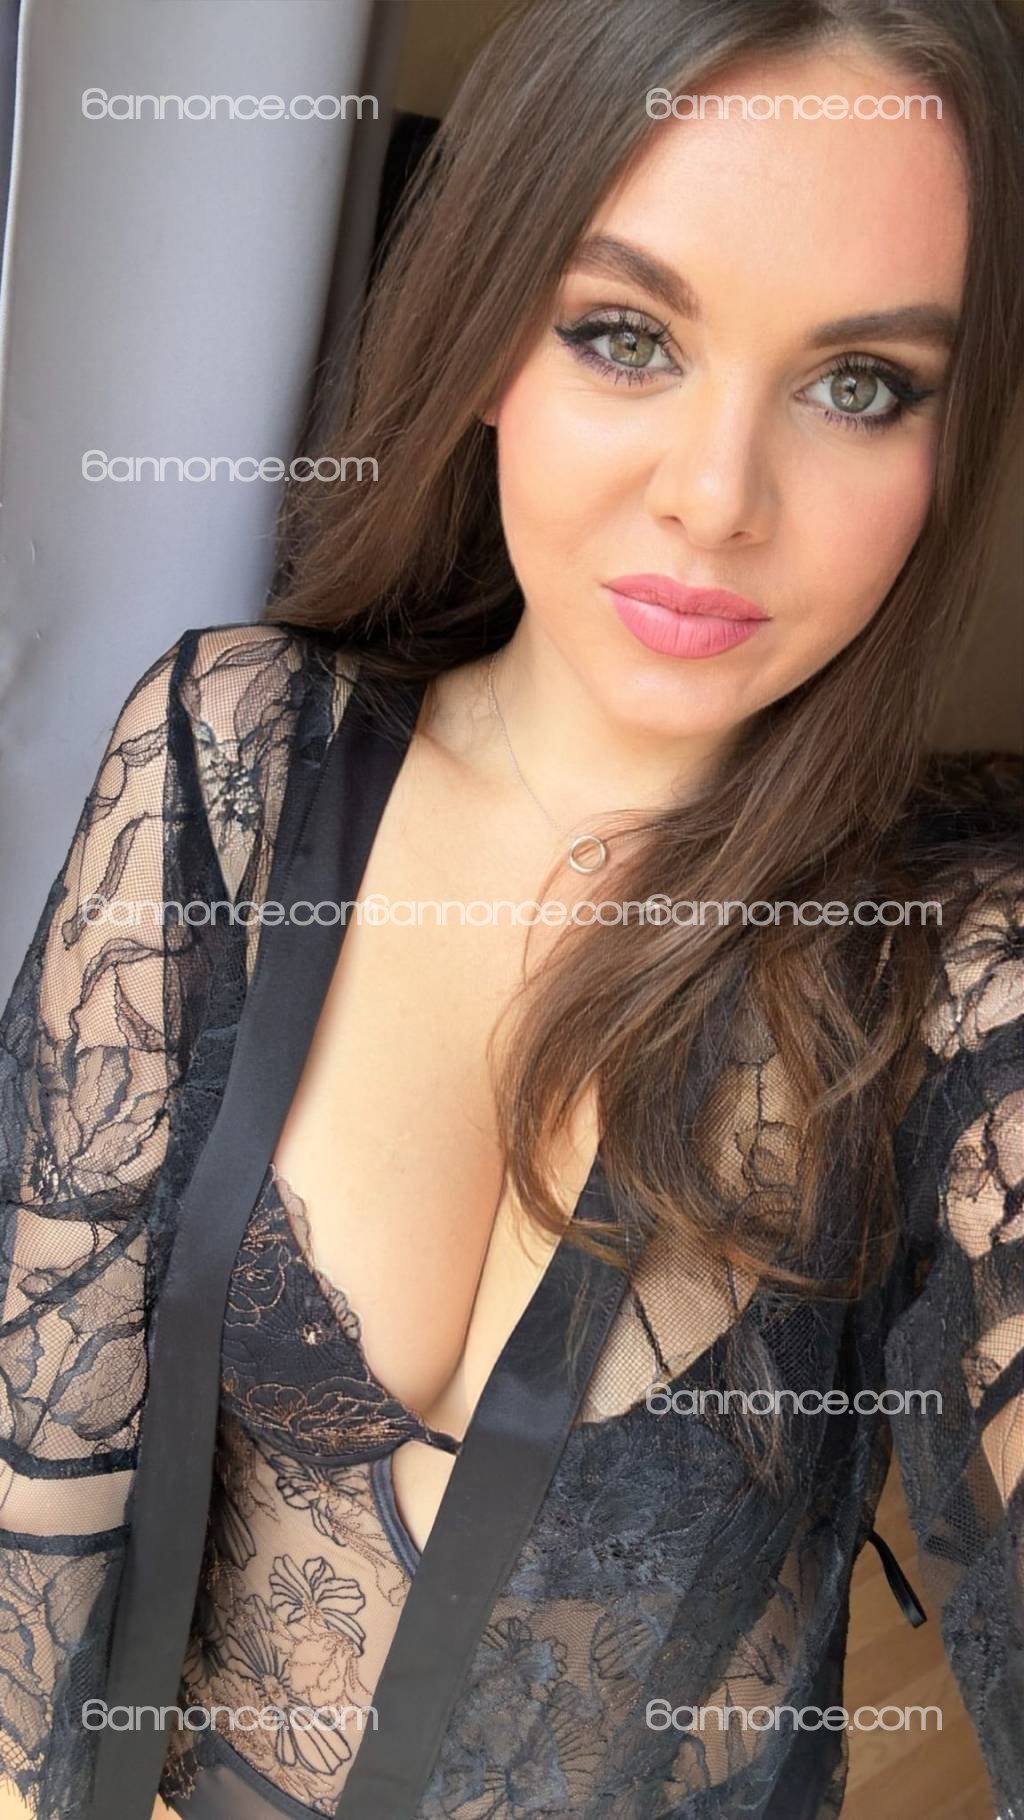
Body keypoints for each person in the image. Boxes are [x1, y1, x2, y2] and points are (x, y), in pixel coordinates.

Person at [1, 1, 1022, 1817]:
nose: (716, 499)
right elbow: (36, 1470)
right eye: (626, 336)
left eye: (860, 383)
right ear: (488, 336)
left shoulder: (949, 981)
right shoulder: (232, 757)